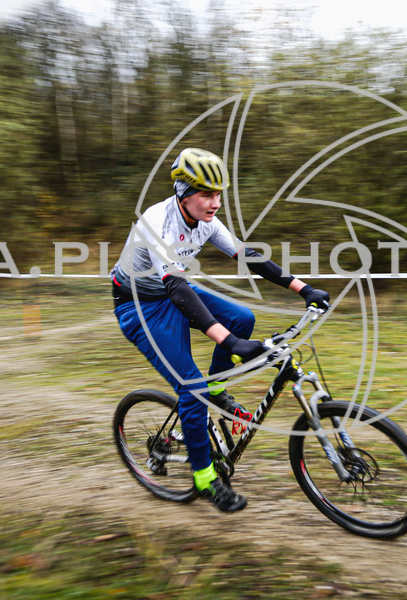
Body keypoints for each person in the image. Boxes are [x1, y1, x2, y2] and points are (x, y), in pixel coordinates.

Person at [111, 148, 329, 513]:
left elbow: (249, 257)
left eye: (219, 195)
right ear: (183, 193)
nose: (215, 203)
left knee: (242, 318)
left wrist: (303, 288)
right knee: (191, 390)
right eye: (207, 195)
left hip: (173, 289)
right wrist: (228, 343)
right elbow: (176, 289)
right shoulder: (158, 221)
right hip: (140, 305)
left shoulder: (208, 220)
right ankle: (205, 479)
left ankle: (218, 389)